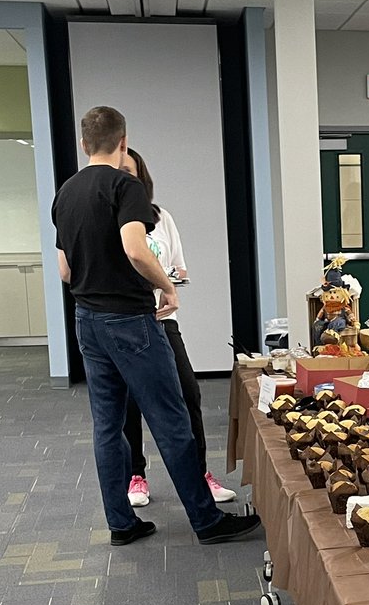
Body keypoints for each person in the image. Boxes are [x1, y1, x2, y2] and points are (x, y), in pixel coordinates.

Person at [52, 105, 260, 546]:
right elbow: (135, 248)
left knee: (107, 426)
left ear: (83, 143)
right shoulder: (125, 186)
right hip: (129, 320)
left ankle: (121, 524)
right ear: (123, 141)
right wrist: (168, 287)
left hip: (86, 321)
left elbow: (65, 271)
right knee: (171, 418)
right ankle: (206, 521)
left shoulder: (66, 192)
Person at [119, 148, 235, 507]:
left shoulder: (160, 217)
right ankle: (135, 476)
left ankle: (201, 474)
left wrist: (167, 280)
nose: (125, 179)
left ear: (142, 179)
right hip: (126, 324)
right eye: (120, 172)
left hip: (163, 321)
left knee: (189, 395)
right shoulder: (108, 219)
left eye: (131, 172)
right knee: (129, 403)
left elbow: (180, 268)